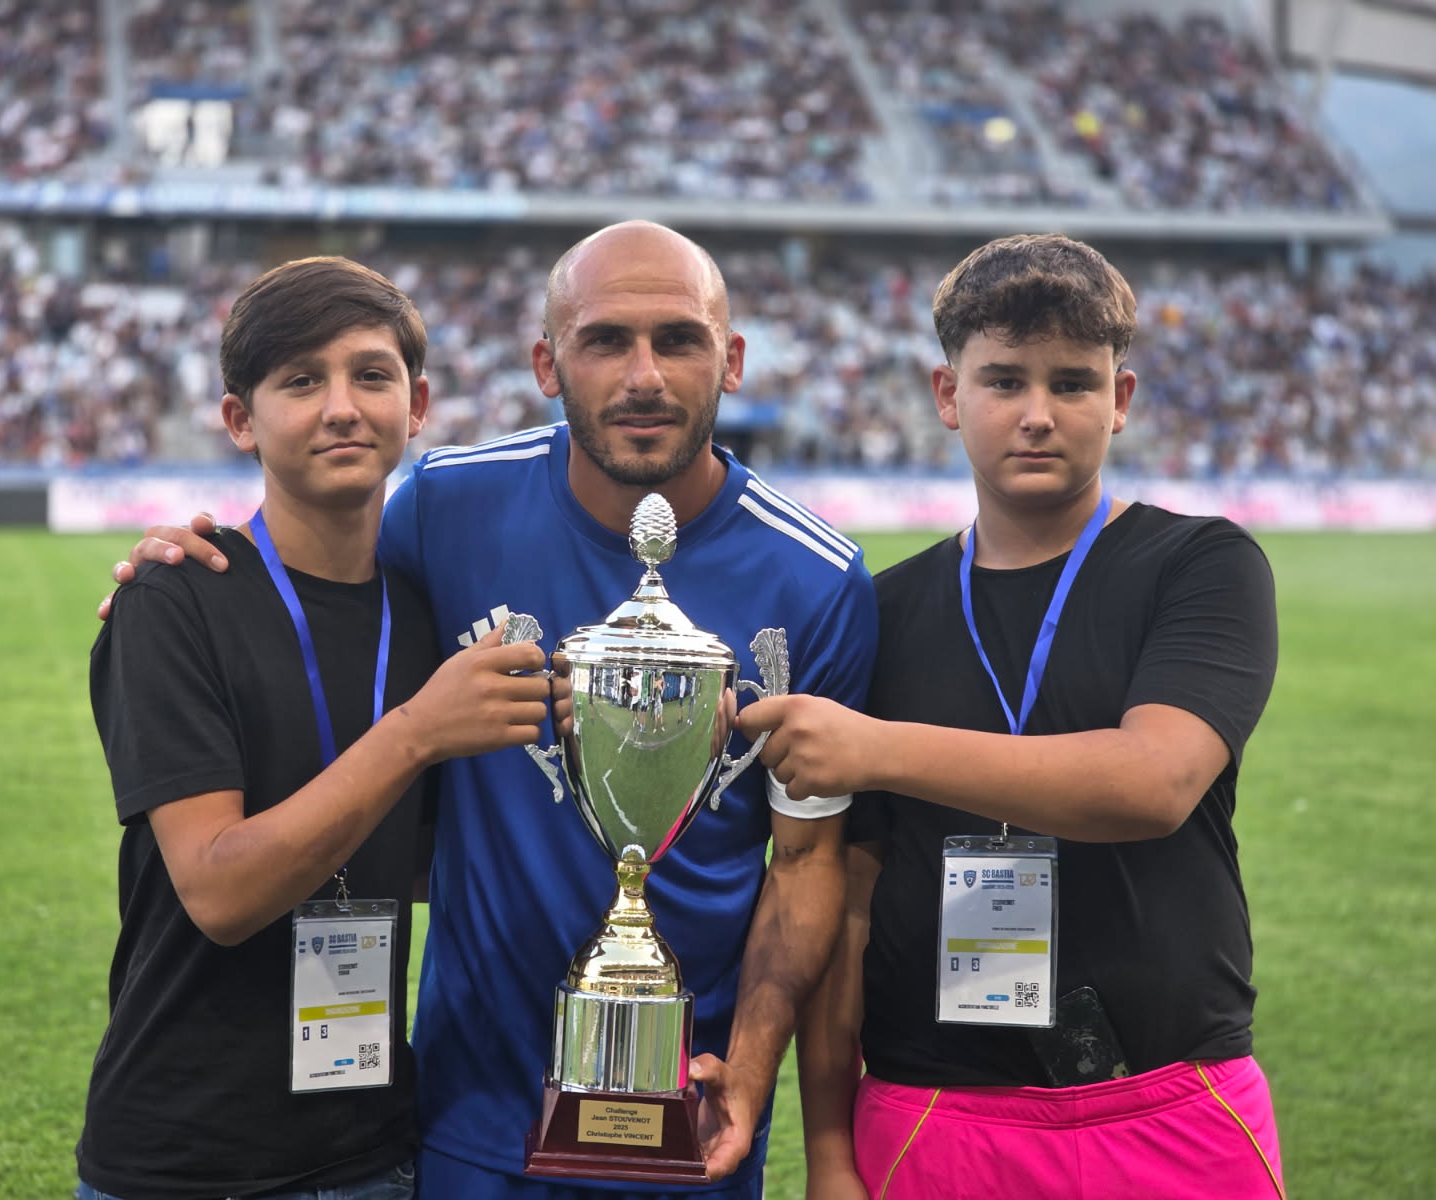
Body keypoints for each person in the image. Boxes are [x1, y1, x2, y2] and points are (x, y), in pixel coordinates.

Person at [104, 221, 879, 1198]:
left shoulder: (818, 578)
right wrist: (190, 559)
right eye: (605, 340)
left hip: (690, 1118)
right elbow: (315, 585)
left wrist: (754, 1067)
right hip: (465, 1122)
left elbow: (807, 863)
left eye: (677, 339)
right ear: (546, 364)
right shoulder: (444, 507)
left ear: (729, 358)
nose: (643, 375)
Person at [739, 233, 1284, 1199]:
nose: (1037, 415)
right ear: (948, 396)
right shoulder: (886, 609)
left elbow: (1152, 782)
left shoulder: (1201, 566)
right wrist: (828, 1152)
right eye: (1004, 381)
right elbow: (849, 903)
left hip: (1173, 1100)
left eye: (1073, 383)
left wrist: (878, 749)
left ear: (1119, 401)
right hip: (935, 1111)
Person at [81, 257, 549, 1200]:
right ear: (240, 420)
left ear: (416, 406)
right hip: (186, 1158)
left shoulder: (427, 616)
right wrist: (417, 732)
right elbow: (221, 891)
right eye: (302, 381)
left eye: (371, 376)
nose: (342, 406)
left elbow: (422, 864)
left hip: (376, 1151)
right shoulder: (175, 601)